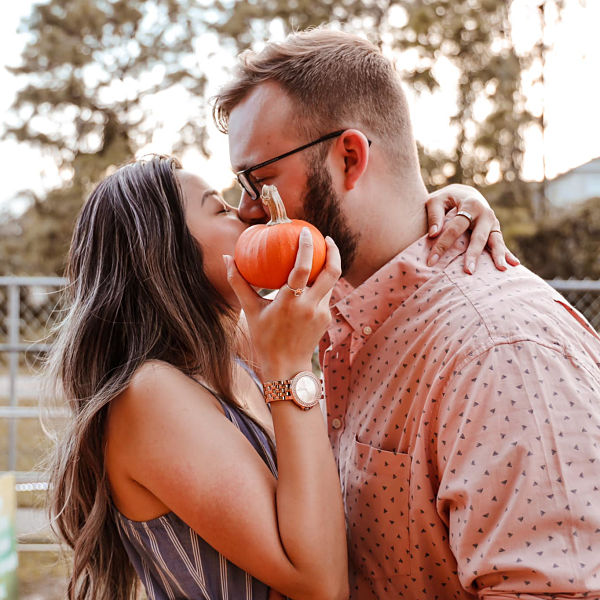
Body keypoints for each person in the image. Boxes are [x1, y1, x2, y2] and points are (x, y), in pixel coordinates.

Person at [214, 28, 600, 599]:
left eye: (260, 179)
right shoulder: (333, 316)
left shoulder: (503, 353)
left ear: (350, 156)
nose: (246, 210)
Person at [45, 155, 499, 600]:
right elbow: (321, 586)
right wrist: (291, 368)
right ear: (162, 251)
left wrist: (444, 212)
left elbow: (352, 273)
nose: (245, 215)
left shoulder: (230, 349)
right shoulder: (150, 396)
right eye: (219, 208)